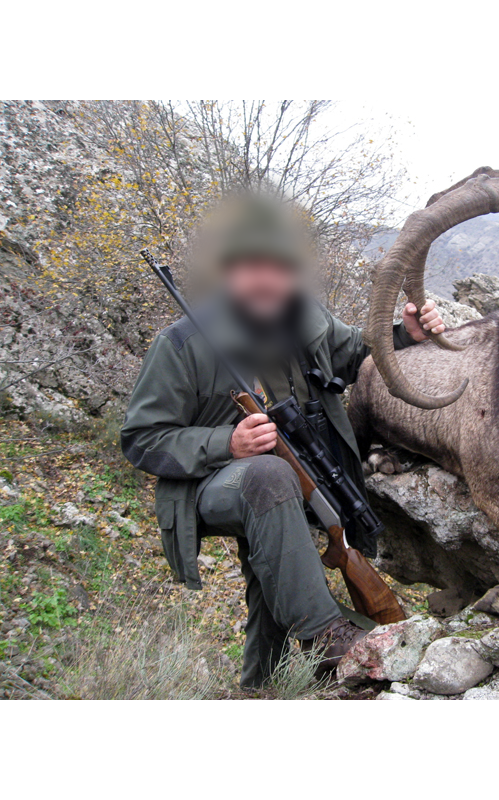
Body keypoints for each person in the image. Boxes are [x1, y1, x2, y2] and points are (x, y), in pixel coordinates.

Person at [120, 195, 446, 688]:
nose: (269, 279)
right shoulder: (182, 343)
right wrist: (226, 444)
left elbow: (352, 356)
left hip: (306, 473)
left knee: (272, 569)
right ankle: (330, 638)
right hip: (209, 485)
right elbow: (142, 441)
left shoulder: (300, 315)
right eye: (254, 266)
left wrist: (405, 335)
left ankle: (263, 686)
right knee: (268, 478)